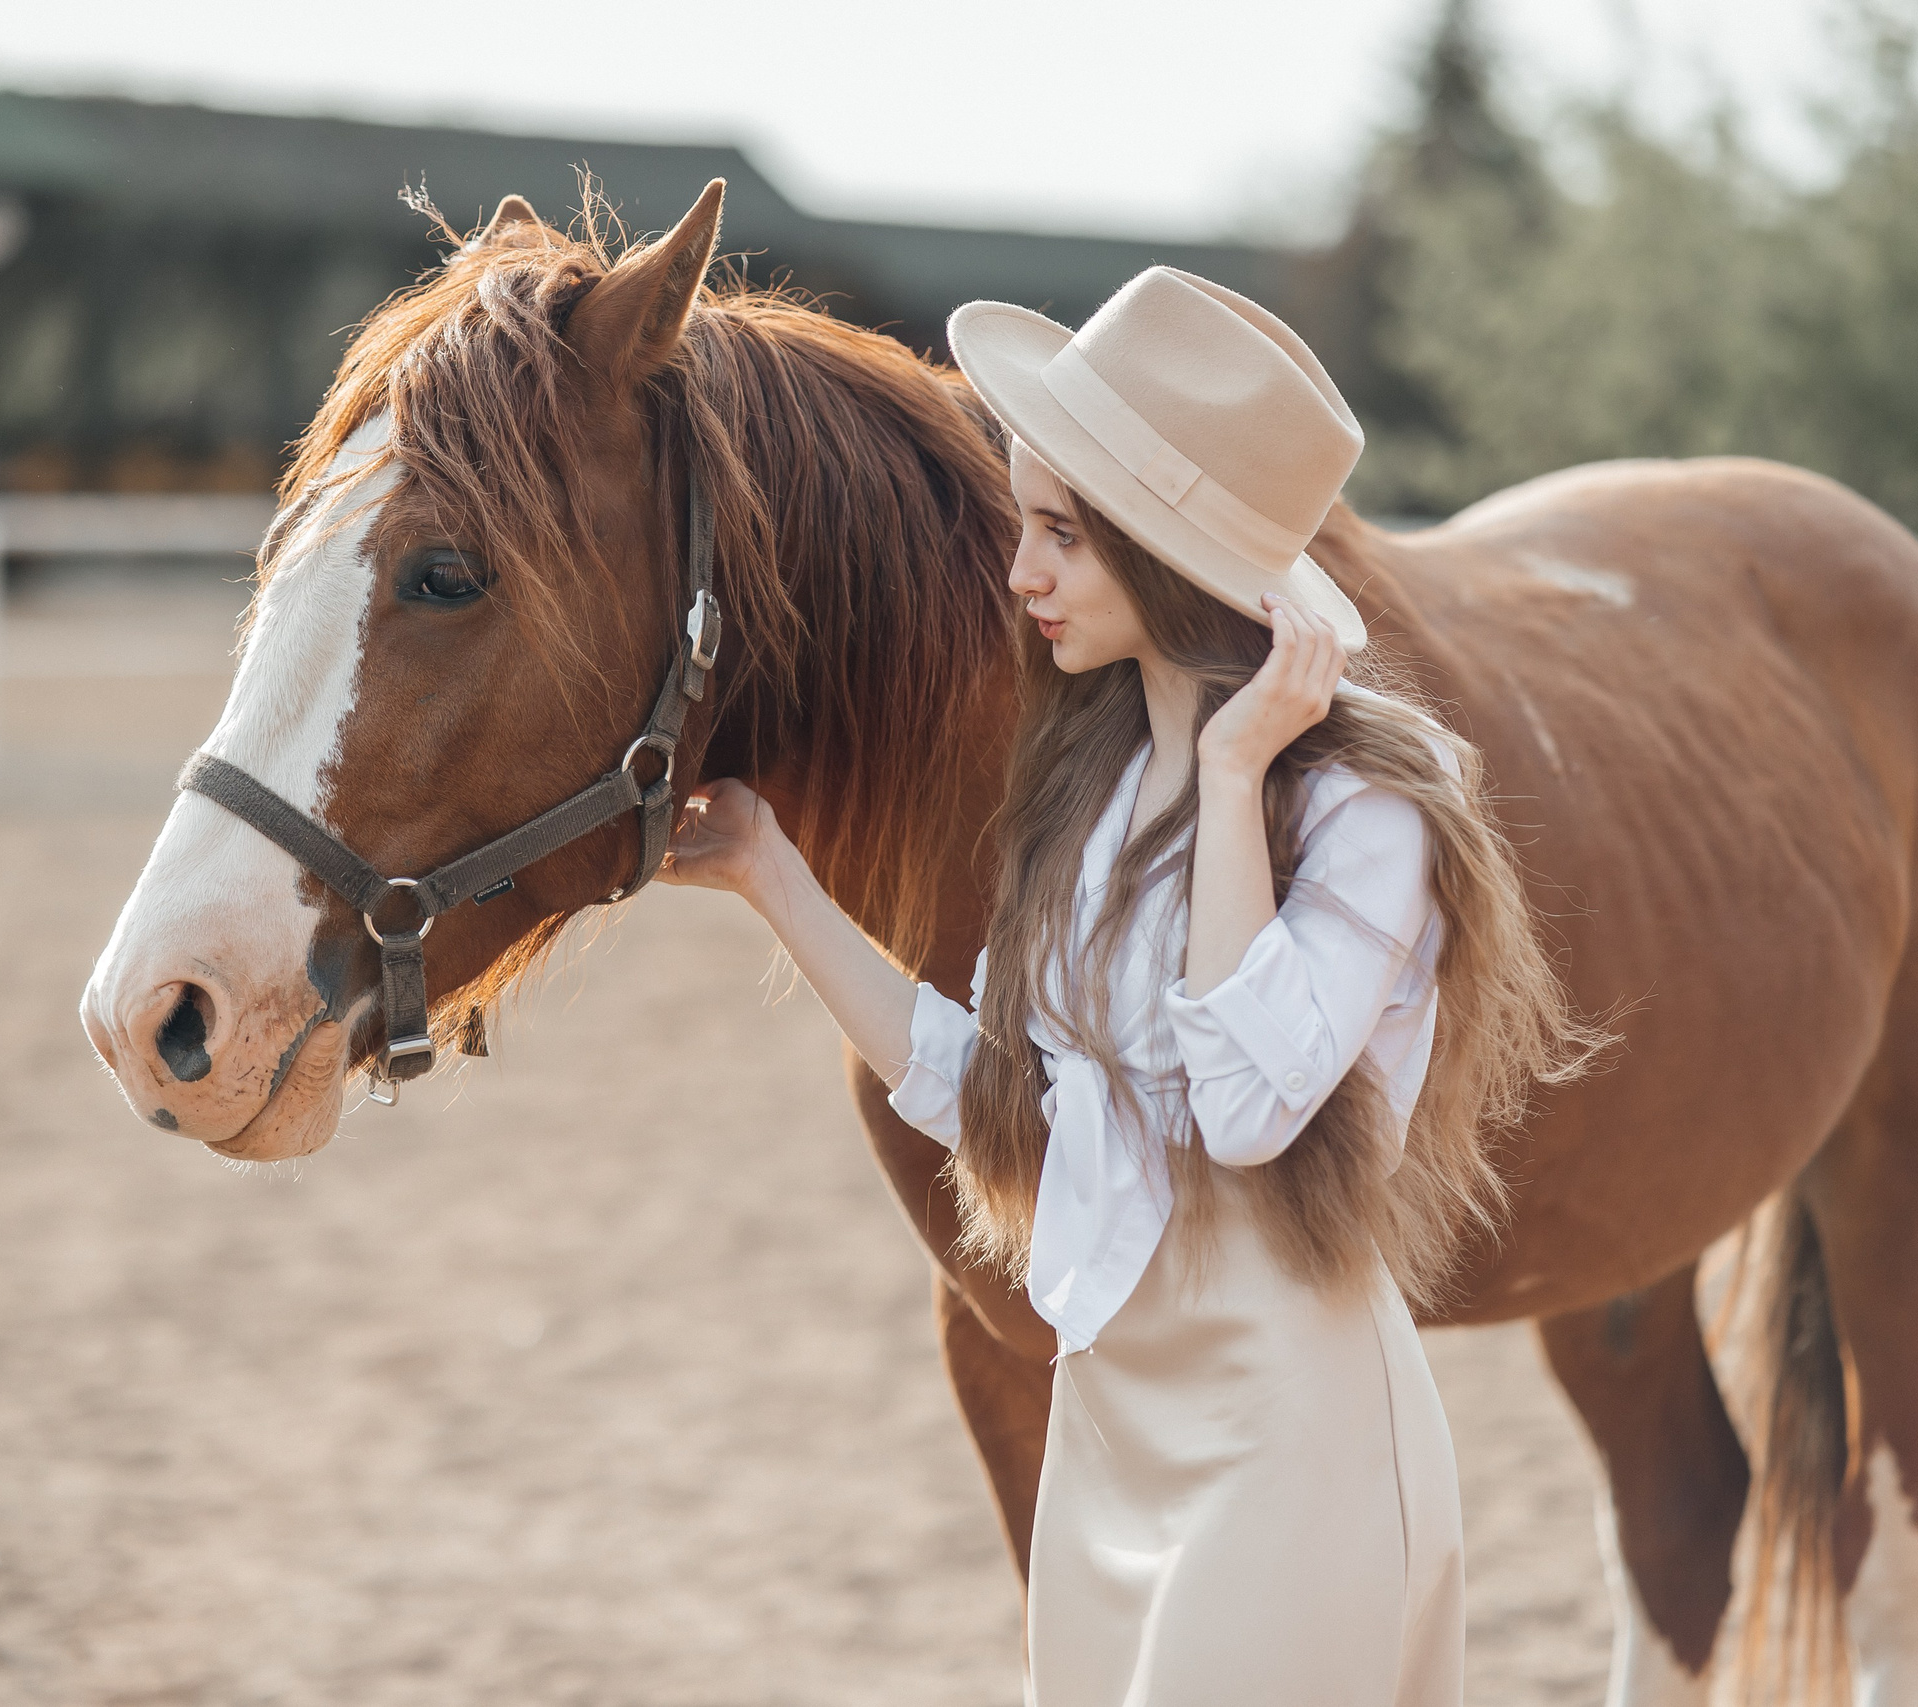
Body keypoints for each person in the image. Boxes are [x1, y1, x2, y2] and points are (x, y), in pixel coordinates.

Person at [659, 266, 1589, 1707]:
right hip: (1113, 1423)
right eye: (1026, 525)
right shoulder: (1083, 800)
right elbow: (991, 1095)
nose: (1020, 573)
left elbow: (1244, 1110)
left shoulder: (1365, 807)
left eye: (1063, 538)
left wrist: (1232, 775)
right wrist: (775, 879)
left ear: (1168, 556)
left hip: (1291, 1437)